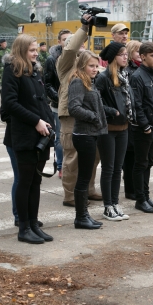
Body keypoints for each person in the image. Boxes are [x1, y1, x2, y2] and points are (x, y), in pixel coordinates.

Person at [1, 34, 54, 245]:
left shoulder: (34, 71)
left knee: (36, 181)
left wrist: (48, 122)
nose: (36, 53)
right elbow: (10, 104)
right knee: (25, 182)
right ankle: (23, 228)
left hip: (41, 134)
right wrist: (36, 121)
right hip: (23, 135)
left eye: (36, 50)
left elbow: (41, 102)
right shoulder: (11, 71)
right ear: (21, 50)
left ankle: (33, 224)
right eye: (31, 50)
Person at [58, 15, 103, 208]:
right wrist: (84, 28)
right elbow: (70, 48)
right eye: (79, 43)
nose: (81, 46)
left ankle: (88, 189)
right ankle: (70, 195)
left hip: (90, 118)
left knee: (93, 155)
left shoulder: (88, 67)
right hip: (70, 117)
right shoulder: (66, 65)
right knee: (73, 157)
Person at [95, 43, 135, 221]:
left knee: (118, 168)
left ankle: (115, 203)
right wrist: (113, 112)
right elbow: (96, 103)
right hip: (108, 129)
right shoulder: (103, 78)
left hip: (124, 128)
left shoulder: (125, 75)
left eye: (126, 54)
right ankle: (107, 207)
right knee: (108, 169)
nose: (126, 57)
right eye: (121, 54)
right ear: (113, 58)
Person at [67, 50, 107, 229]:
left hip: (90, 134)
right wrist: (93, 116)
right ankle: (81, 217)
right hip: (83, 135)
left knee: (85, 175)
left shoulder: (88, 80)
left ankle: (84, 215)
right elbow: (73, 108)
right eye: (91, 66)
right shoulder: (77, 81)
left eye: (96, 65)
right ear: (82, 65)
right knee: (83, 177)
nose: (95, 69)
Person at [130, 42, 153, 214]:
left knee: (149, 163)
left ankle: (146, 196)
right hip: (144, 129)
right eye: (152, 55)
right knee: (141, 163)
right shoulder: (137, 77)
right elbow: (137, 104)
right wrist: (145, 125)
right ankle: (140, 199)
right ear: (143, 56)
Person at [44, 29, 71, 179]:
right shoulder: (51, 59)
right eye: (64, 39)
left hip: (75, 105)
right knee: (61, 137)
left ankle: (71, 164)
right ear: (59, 42)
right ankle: (61, 166)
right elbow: (48, 84)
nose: (67, 41)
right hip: (58, 105)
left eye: (70, 39)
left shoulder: (77, 55)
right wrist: (60, 99)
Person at [122, 40, 142, 200]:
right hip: (130, 118)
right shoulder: (128, 71)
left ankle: (136, 186)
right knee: (129, 155)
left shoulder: (143, 69)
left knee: (137, 154)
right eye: (137, 51)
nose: (140, 55)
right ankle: (130, 188)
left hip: (140, 117)